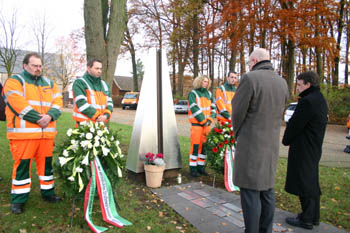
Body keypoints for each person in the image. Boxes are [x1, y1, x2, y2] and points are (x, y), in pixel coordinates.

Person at [231, 48, 289, 233]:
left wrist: (237, 134)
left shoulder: (249, 78)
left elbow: (238, 111)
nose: (249, 65)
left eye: (249, 62)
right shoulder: (282, 82)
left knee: (250, 192)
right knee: (267, 190)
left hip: (251, 145)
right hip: (271, 145)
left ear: (254, 60)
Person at [2, 53, 63, 214]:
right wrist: (39, 119)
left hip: (46, 136)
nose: (38, 68)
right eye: (34, 65)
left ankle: (48, 194)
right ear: (25, 65)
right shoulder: (14, 81)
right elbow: (17, 103)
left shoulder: (50, 83)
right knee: (22, 168)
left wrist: (50, 116)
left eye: (40, 65)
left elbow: (58, 102)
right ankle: (18, 200)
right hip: (24, 136)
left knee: (47, 168)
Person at [282, 71, 328, 230]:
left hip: (303, 147)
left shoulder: (307, 101)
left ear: (308, 84)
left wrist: (286, 139)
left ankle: (306, 219)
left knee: (304, 182)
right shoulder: (319, 99)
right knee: (311, 180)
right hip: (313, 146)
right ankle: (313, 216)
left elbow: (295, 124)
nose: (298, 88)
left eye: (300, 85)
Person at [188, 75, 216, 177]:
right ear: (199, 82)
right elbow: (194, 108)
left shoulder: (209, 94)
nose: (206, 83)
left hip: (206, 125)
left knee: (204, 147)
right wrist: (204, 121)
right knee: (195, 147)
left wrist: (210, 119)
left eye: (207, 82)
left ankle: (201, 167)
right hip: (197, 125)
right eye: (204, 81)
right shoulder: (193, 93)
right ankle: (193, 169)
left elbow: (213, 107)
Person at [72, 58, 113, 125]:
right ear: (88, 68)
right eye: (96, 68)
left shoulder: (105, 85)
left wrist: (106, 115)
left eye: (100, 69)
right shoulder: (80, 83)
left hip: (100, 126)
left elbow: (110, 103)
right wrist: (98, 117)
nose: (99, 71)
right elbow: (81, 103)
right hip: (84, 126)